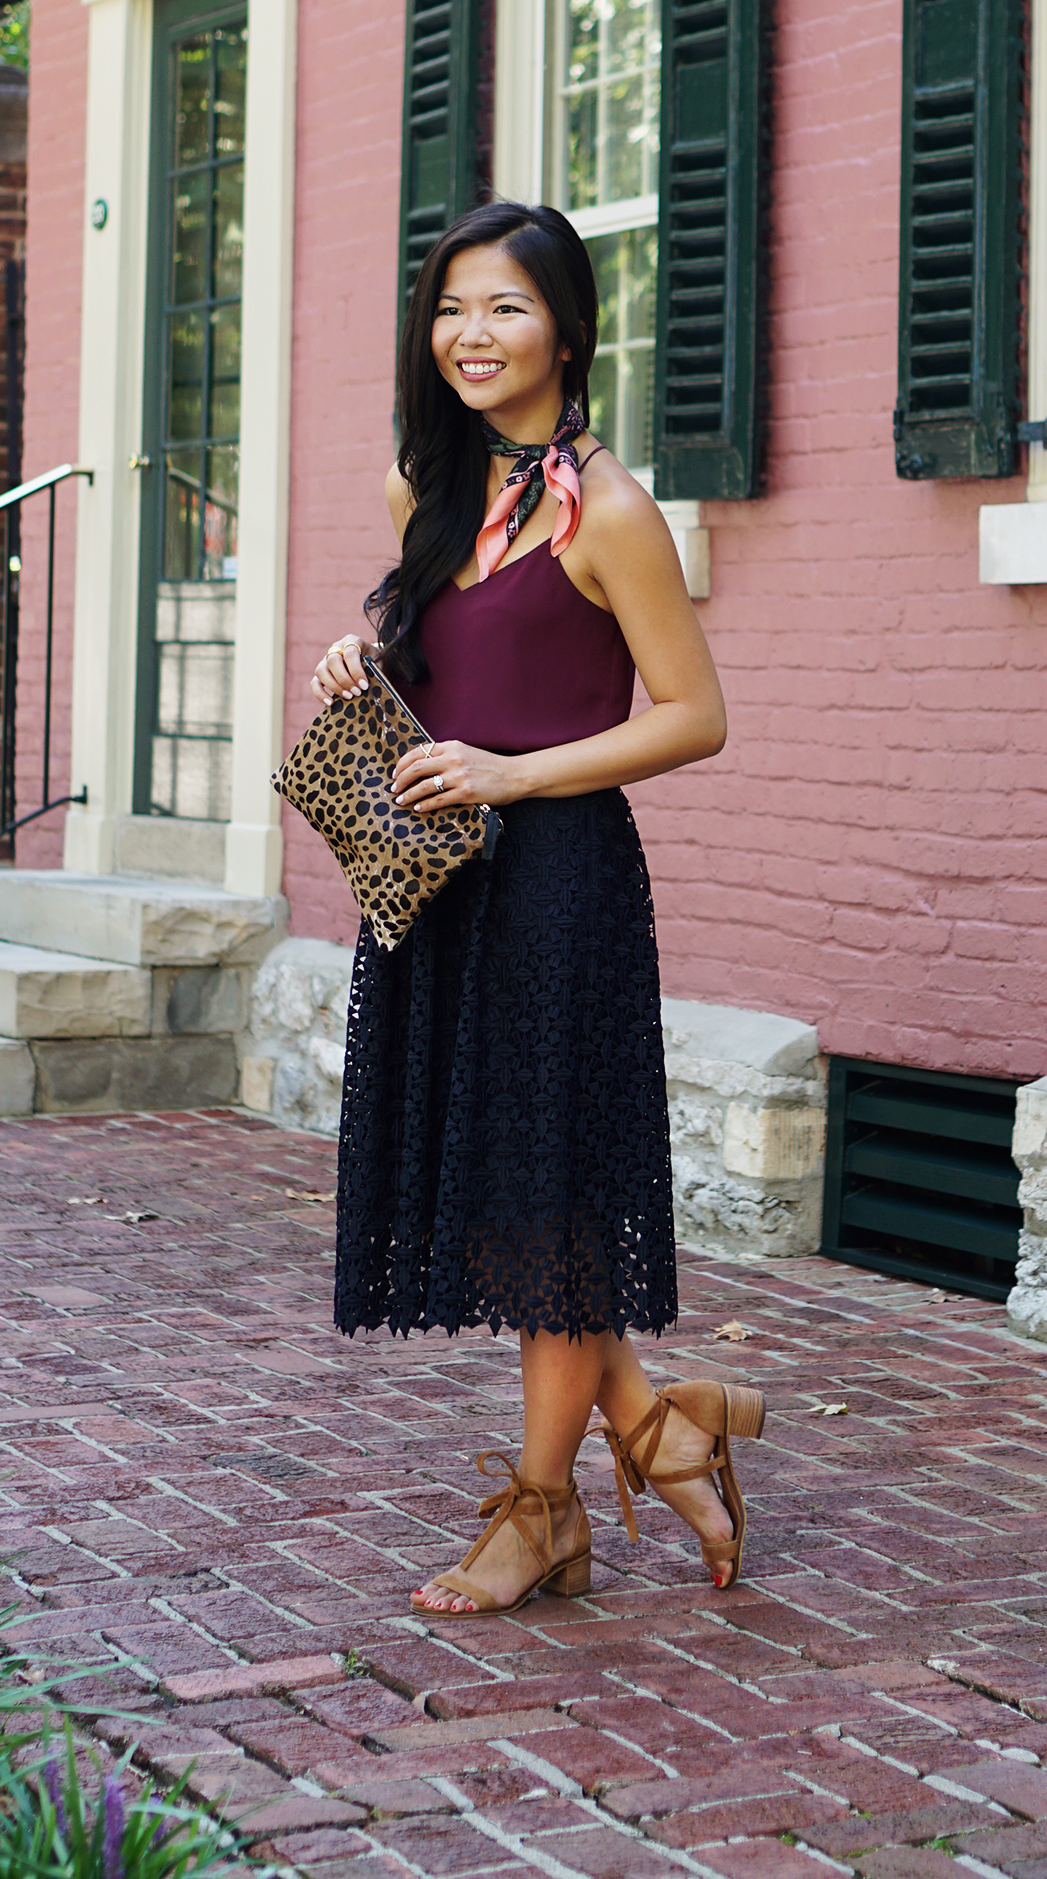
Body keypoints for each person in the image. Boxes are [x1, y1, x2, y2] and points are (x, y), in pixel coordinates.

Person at [309, 199, 765, 1616]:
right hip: (443, 884)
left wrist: (516, 774)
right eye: (451, 308)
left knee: (555, 1201)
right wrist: (362, 662)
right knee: (520, 1200)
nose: (472, 334)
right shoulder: (425, 492)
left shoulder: (610, 512)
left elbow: (694, 716)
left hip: (562, 886)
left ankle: (544, 1510)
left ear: (566, 331)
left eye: (504, 306)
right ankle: (656, 1428)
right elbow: (449, 676)